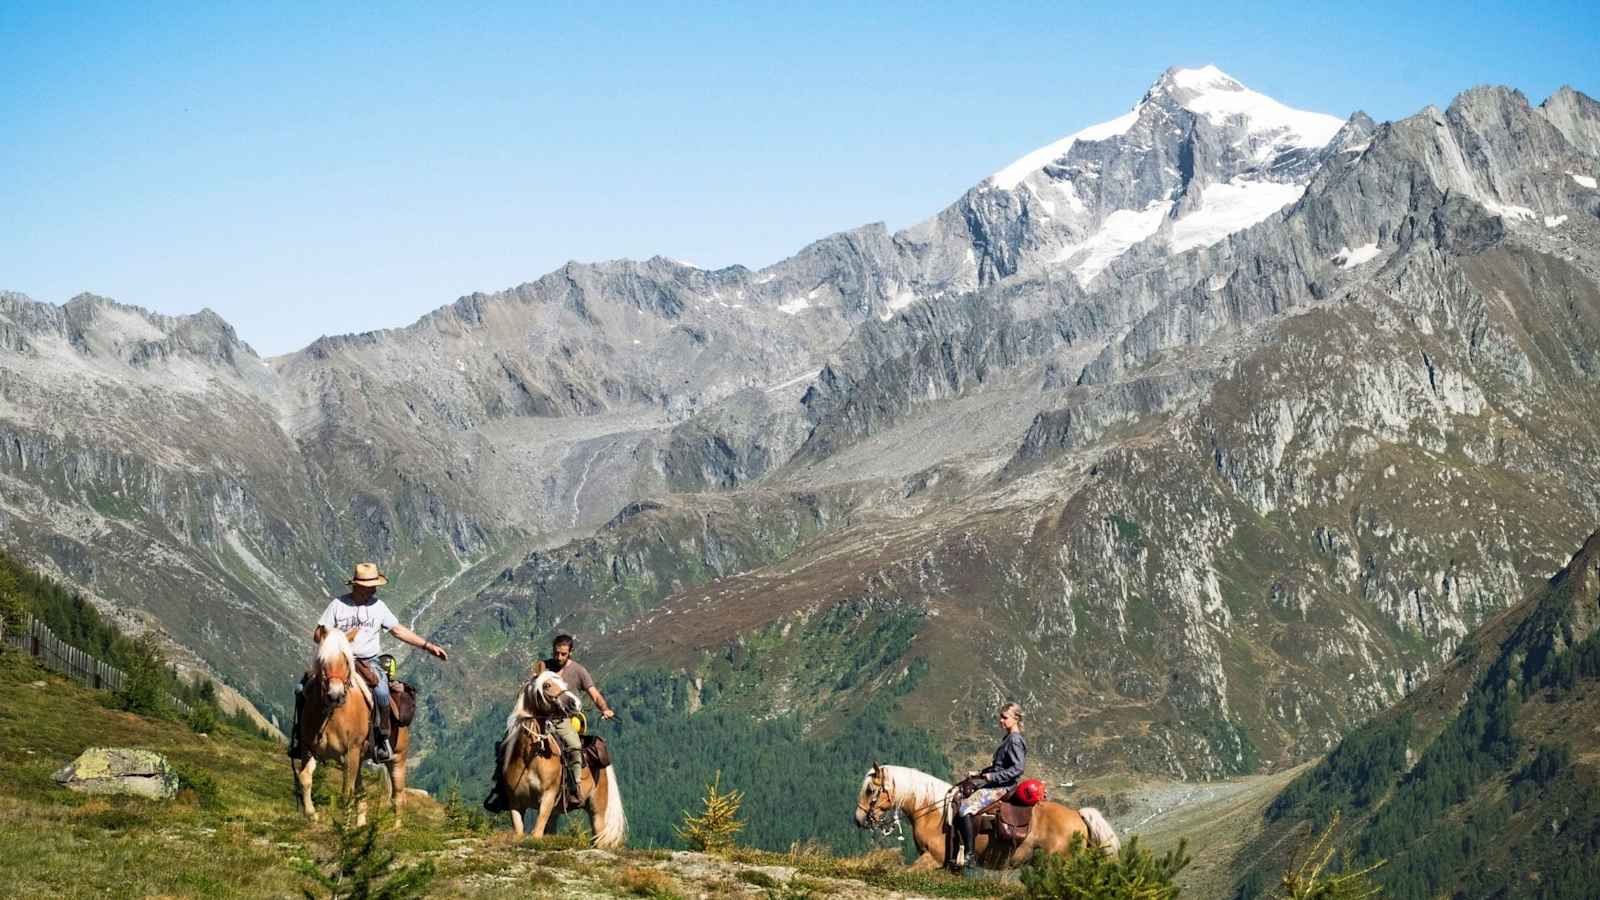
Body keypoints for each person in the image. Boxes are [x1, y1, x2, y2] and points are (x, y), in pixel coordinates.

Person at [295, 562, 448, 762]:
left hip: (368, 661)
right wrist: (333, 637)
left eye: (374, 585)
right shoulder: (337, 605)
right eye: (370, 586)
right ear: (356, 585)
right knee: (302, 688)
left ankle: (382, 737)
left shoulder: (379, 607)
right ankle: (302, 738)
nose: (374, 590)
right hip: (339, 661)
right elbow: (318, 634)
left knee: (382, 691)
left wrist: (427, 646)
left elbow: (398, 630)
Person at [950, 702, 1026, 874]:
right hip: (998, 782)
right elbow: (1001, 765)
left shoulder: (1014, 740)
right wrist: (980, 773)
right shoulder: (1008, 738)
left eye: (1005, 717)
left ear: (1016, 719)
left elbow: (1017, 769)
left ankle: (970, 855)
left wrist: (992, 777)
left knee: (964, 808)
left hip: (1003, 786)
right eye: (1001, 717)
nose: (1001, 720)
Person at [541, 634, 615, 806]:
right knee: (511, 739)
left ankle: (575, 787)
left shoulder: (579, 671)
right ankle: (502, 787)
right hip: (542, 717)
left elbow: (594, 694)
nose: (558, 657)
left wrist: (604, 709)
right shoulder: (545, 667)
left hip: (563, 720)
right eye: (556, 653)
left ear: (570, 653)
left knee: (574, 746)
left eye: (563, 654)